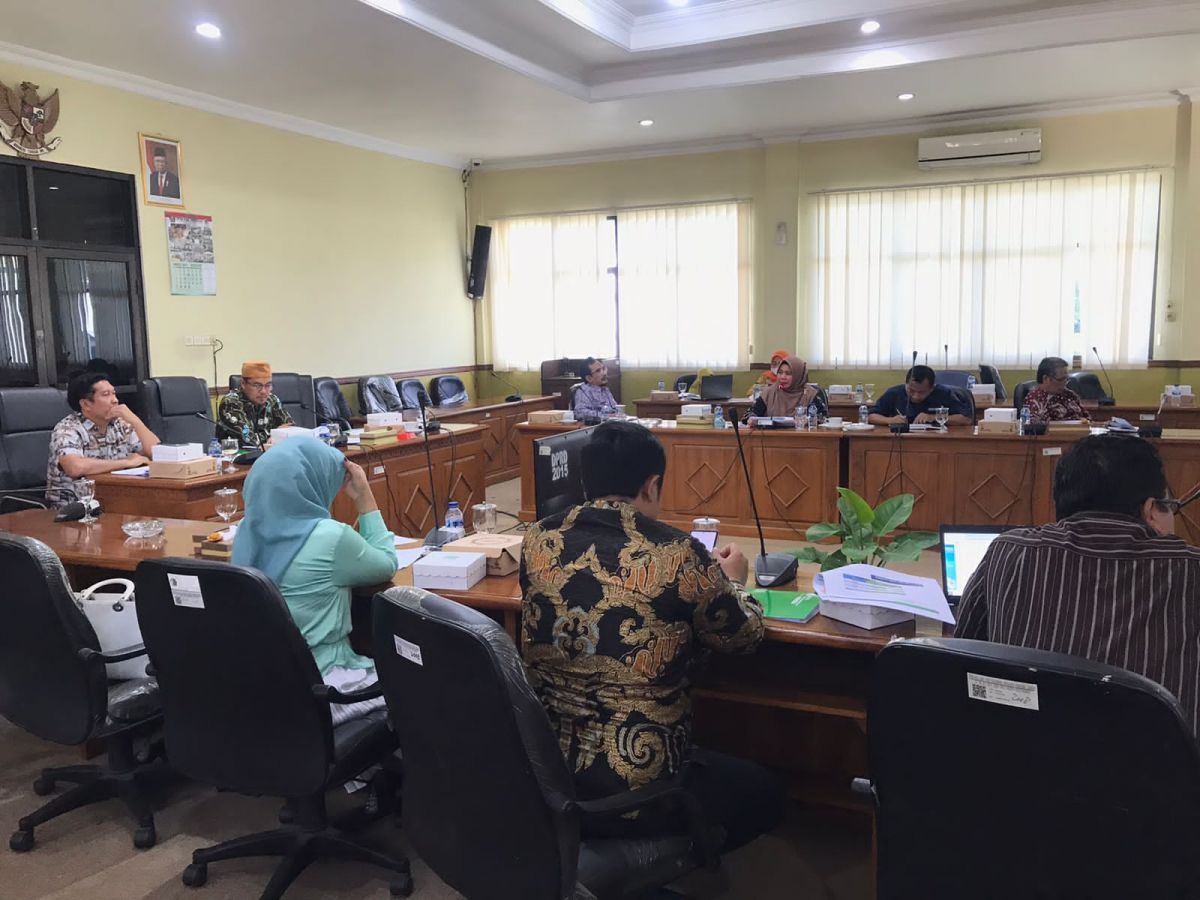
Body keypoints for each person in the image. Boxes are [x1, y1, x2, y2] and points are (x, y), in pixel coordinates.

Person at [521, 420, 783, 852]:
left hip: (545, 771)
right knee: (767, 792)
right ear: (652, 485)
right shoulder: (677, 553)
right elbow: (744, 637)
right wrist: (734, 581)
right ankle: (664, 854)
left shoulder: (538, 538)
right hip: (638, 783)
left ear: (586, 479)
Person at [956, 435, 1200, 738]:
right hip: (1156, 778)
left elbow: (960, 658)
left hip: (1021, 768)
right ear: (1151, 510)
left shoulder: (1008, 551)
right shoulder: (1190, 570)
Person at [232, 437, 397, 725]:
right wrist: (365, 500)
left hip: (263, 688)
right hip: (328, 688)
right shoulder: (330, 537)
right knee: (423, 682)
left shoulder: (245, 532)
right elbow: (387, 565)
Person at [45, 371, 160, 507]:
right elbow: (75, 467)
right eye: (106, 395)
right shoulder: (68, 428)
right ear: (86, 404)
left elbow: (157, 453)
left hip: (112, 502)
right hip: (73, 509)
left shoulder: (119, 425)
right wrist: (126, 463)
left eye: (114, 393)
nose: (115, 400)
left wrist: (135, 421)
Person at [218, 360, 293, 448]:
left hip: (269, 455)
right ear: (243, 383)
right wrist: (276, 436)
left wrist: (279, 436)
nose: (263, 391)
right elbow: (249, 440)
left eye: (268, 385)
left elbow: (290, 429)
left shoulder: (271, 399)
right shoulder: (231, 402)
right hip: (238, 457)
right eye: (257, 385)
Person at [868, 365, 973, 426]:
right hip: (902, 441)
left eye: (921, 392)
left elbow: (966, 419)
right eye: (911, 391)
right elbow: (871, 416)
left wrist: (934, 417)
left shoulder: (944, 393)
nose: (915, 396)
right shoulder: (894, 393)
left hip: (937, 441)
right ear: (906, 384)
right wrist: (890, 420)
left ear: (932, 388)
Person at [748, 355, 826, 420]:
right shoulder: (769, 392)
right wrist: (751, 419)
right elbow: (750, 415)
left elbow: (822, 418)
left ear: (798, 375)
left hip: (803, 437)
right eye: (780, 372)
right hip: (773, 437)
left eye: (788, 373)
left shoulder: (810, 394)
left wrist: (807, 420)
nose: (782, 377)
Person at [1023, 356, 1090, 422]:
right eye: (1061, 379)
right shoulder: (1036, 399)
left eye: (1067, 379)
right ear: (1046, 378)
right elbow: (1045, 428)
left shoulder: (1069, 394)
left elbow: (1088, 418)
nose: (1065, 383)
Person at [573, 356, 618, 422]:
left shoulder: (604, 389)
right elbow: (580, 413)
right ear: (589, 378)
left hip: (609, 424)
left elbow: (614, 408)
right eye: (598, 371)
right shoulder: (583, 391)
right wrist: (605, 416)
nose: (604, 373)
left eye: (603, 368)